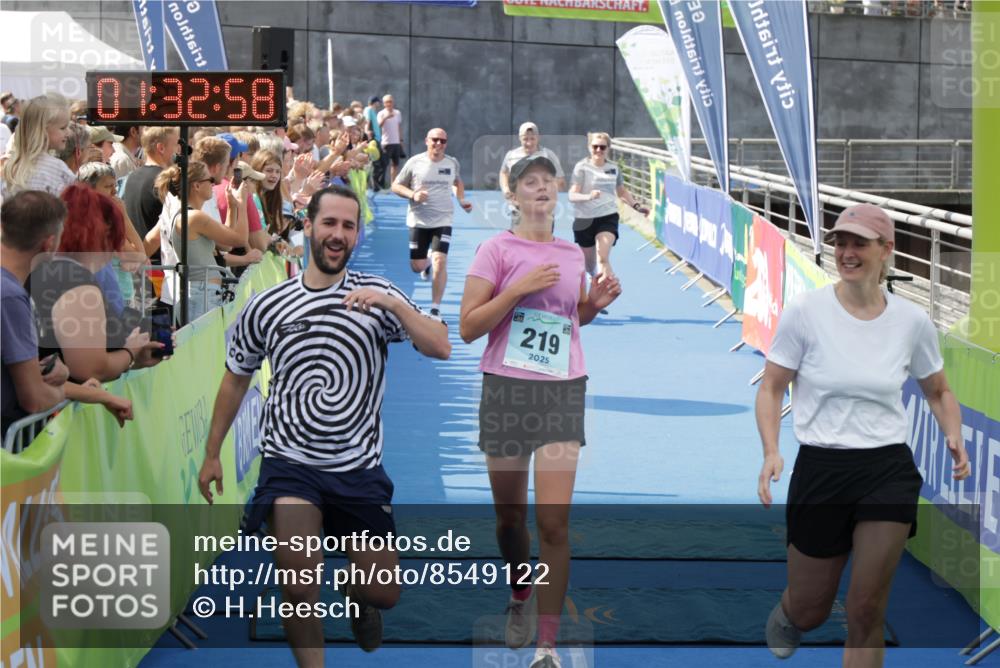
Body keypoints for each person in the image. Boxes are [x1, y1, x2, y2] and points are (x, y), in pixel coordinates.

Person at [198, 185, 450, 668]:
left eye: (348, 226)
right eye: (329, 223)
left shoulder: (379, 295)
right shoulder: (268, 305)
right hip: (290, 464)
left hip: (357, 468)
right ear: (308, 226)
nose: (338, 234)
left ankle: (356, 593)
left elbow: (439, 346)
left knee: (384, 593)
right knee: (297, 583)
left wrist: (395, 306)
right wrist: (212, 453)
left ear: (356, 235)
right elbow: (235, 380)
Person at [756, 203, 971, 666]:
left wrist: (952, 432)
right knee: (813, 608)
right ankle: (794, 611)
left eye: (859, 243)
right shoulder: (805, 312)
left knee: (866, 607)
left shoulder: (912, 321)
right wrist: (772, 450)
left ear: (886, 249)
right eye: (841, 243)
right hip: (822, 467)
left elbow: (939, 391)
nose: (847, 252)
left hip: (886, 468)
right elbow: (772, 388)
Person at [459, 155, 622, 668]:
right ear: (514, 195)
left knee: (553, 524)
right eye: (531, 182)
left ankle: (546, 646)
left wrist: (593, 304)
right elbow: (468, 327)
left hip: (561, 390)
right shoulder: (495, 250)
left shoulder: (573, 253)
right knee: (510, 519)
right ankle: (520, 588)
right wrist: (517, 289)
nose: (541, 189)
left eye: (548, 182)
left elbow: (572, 319)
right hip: (506, 389)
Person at [1, 190, 134, 439]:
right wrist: (62, 390)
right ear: (49, 243)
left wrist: (93, 393)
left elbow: (22, 374)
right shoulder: (10, 297)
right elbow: (34, 398)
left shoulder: (13, 290)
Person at [28, 184, 166, 383]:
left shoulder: (45, 268)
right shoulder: (74, 280)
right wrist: (130, 351)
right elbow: (90, 369)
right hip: (64, 406)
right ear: (104, 236)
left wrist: (134, 357)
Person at [155, 160, 249, 322]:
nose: (213, 184)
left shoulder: (190, 215)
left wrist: (232, 207)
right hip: (201, 297)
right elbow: (241, 239)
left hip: (203, 294)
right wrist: (243, 203)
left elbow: (226, 244)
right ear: (196, 186)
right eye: (209, 180)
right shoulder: (193, 217)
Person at [391, 128, 471, 316]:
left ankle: (435, 308)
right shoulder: (415, 162)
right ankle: (425, 263)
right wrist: (413, 194)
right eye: (434, 140)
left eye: (442, 141)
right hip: (418, 220)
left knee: (440, 260)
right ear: (427, 141)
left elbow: (457, 182)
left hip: (443, 218)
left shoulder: (452, 163)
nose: (438, 144)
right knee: (416, 266)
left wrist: (461, 200)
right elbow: (395, 185)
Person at [568, 132, 647, 281]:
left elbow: (622, 191)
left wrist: (636, 206)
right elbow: (572, 195)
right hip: (584, 219)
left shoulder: (613, 168)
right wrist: (588, 196)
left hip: (607, 216)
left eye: (602, 147)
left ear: (608, 149)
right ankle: (592, 275)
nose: (598, 150)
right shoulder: (582, 167)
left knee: (602, 256)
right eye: (595, 146)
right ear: (589, 147)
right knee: (589, 264)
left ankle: (608, 287)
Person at [1, 93, 74, 198]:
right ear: (42, 130)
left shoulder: (12, 167)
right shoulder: (57, 168)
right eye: (63, 128)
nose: (68, 133)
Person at [499, 122, 565, 199]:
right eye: (525, 139)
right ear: (519, 138)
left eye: (532, 138)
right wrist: (506, 189)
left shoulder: (548, 155)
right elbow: (504, 172)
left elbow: (560, 181)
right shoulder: (511, 155)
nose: (529, 143)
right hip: (517, 205)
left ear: (538, 138)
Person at [377, 95, 404, 185]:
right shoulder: (381, 113)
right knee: (384, 165)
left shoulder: (397, 113)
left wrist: (401, 140)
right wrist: (385, 118)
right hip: (386, 142)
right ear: (384, 104)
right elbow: (378, 126)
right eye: (387, 102)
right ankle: (381, 184)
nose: (389, 104)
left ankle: (393, 184)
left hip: (396, 142)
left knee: (395, 165)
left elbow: (399, 126)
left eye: (390, 101)